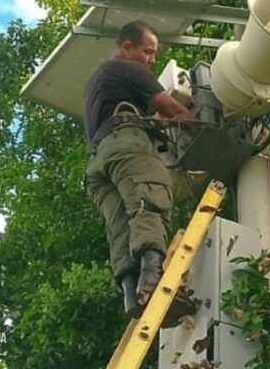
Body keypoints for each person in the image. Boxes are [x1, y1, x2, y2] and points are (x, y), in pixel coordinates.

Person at [83, 20, 196, 318]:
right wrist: (194, 121)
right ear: (127, 47)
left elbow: (119, 113)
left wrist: (150, 122)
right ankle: (152, 280)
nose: (151, 60)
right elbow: (171, 108)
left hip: (97, 163)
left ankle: (131, 296)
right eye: (148, 51)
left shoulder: (96, 81)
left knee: (120, 226)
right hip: (125, 145)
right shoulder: (130, 68)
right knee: (150, 199)